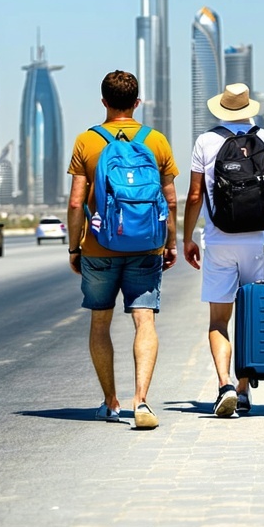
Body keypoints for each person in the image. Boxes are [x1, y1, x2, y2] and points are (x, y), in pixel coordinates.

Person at [67, 70, 179, 430]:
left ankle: (111, 402)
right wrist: (171, 243)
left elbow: (76, 202)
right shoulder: (156, 141)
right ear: (137, 102)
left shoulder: (87, 141)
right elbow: (170, 201)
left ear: (104, 102)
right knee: (144, 319)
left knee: (100, 322)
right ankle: (141, 400)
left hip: (99, 248)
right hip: (147, 246)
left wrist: (74, 247)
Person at [182, 83, 264, 418]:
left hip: (219, 240)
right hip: (256, 241)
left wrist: (187, 239)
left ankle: (224, 385)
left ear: (222, 108)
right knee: (249, 316)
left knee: (219, 320)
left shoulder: (206, 141)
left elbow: (195, 196)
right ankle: (243, 391)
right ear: (249, 108)